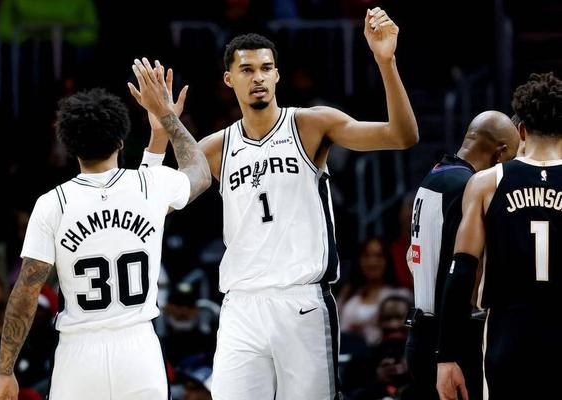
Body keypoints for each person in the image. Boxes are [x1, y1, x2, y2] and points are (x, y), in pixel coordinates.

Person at [140, 7, 418, 399]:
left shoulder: (311, 124)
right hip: (240, 306)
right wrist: (161, 130)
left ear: (277, 75)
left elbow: (402, 136)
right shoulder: (215, 147)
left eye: (266, 68)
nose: (258, 77)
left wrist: (385, 62)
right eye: (247, 69)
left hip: (301, 300)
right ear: (228, 79)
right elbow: (155, 203)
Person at [0, 82, 210, 399]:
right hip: (139, 351)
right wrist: (167, 117)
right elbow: (199, 173)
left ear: (69, 145)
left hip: (79, 355)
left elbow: (26, 291)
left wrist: (5, 370)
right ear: (121, 141)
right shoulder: (150, 186)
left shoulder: (53, 204)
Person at [436, 72, 562, 400]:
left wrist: (446, 356)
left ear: (521, 130)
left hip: (509, 334)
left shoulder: (485, 183)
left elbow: (460, 271)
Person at [406, 111, 519, 399]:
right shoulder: (466, 187)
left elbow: (412, 257)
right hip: (448, 340)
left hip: (421, 331)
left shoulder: (435, 175)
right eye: (512, 158)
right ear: (500, 153)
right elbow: (464, 272)